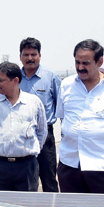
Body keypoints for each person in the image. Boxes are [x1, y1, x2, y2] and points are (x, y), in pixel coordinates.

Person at [56, 39, 104, 194]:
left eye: (85, 63)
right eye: (77, 62)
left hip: (102, 164)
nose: (80, 67)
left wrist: (101, 138)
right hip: (70, 163)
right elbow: (63, 117)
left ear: (100, 61)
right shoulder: (66, 85)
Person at [0, 62, 48, 192]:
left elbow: (41, 131)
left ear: (15, 80)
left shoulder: (33, 103)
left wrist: (27, 151)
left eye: (1, 80)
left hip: (26, 167)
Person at [18, 38, 62, 192]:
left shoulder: (51, 78)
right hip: (21, 135)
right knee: (25, 180)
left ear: (40, 55)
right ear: (20, 56)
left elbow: (61, 107)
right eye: (26, 54)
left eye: (33, 54)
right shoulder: (14, 78)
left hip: (45, 135)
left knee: (49, 178)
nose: (30, 58)